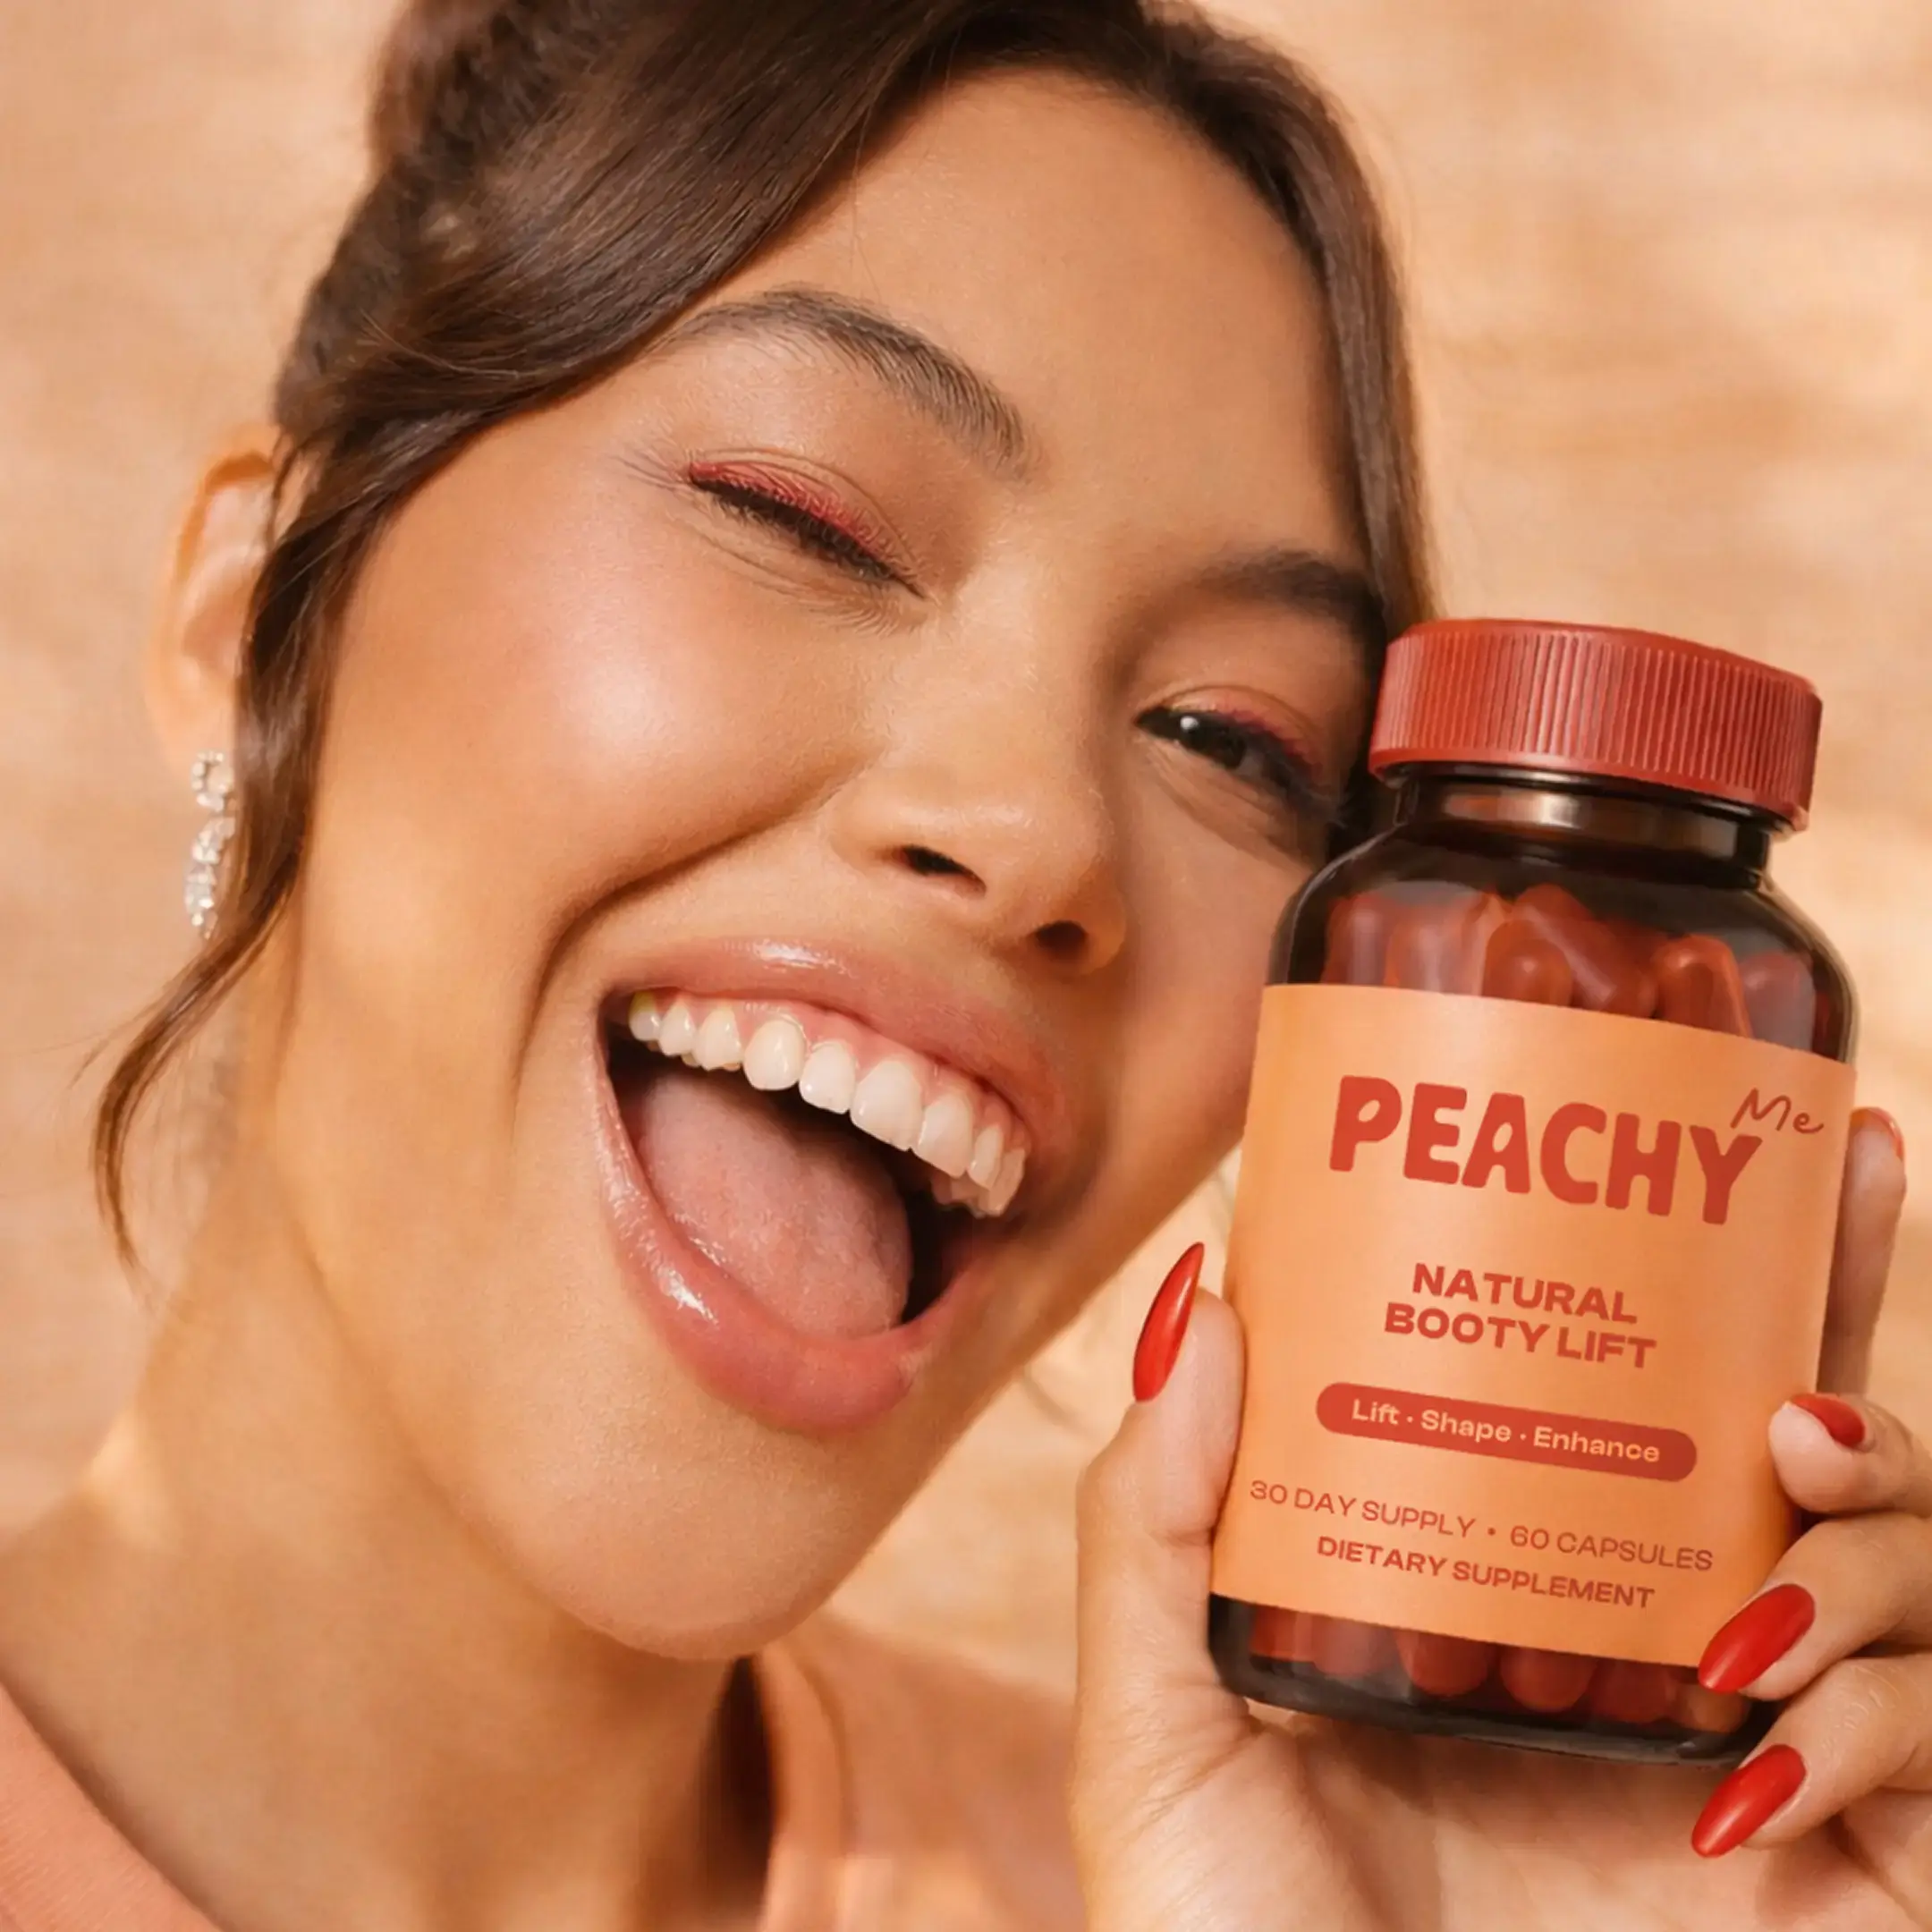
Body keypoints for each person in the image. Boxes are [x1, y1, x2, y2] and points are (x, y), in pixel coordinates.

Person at [0, 0, 1923, 1926]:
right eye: (802, 518)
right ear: (257, 624)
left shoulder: (1211, 1881)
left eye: (1237, 746)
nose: (1043, 837)